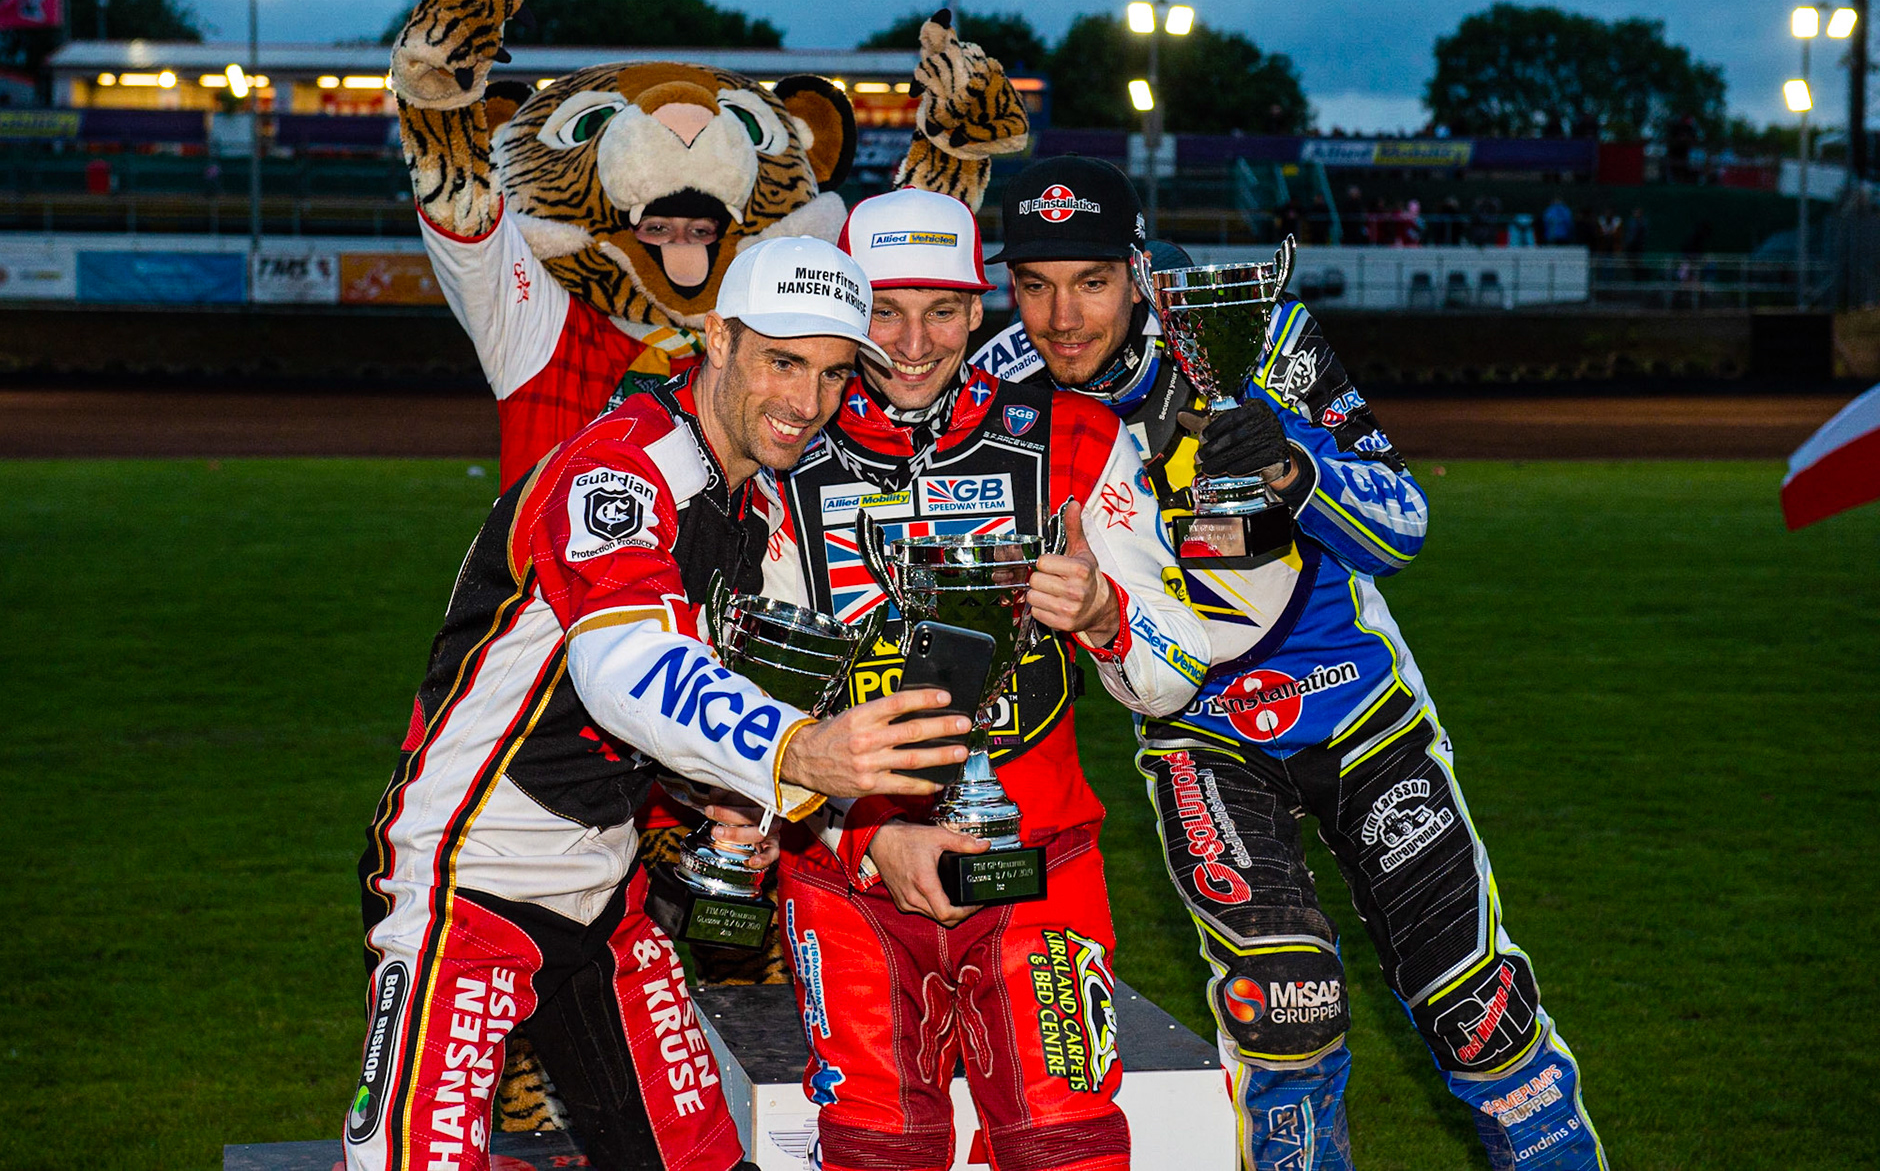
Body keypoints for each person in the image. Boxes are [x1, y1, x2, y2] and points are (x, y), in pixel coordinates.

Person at [970, 155, 1607, 1171]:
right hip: (1199, 732)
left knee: (1476, 1006)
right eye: (1035, 284)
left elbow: (1403, 524)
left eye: (1089, 280)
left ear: (1137, 270)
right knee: (1285, 1011)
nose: (1061, 315)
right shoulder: (997, 388)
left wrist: (1289, 465)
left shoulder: (1258, 332)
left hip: (1361, 713)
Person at [346, 236, 978, 1171]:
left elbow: (720, 717)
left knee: (699, 1161)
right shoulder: (619, 472)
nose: (807, 404)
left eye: (835, 374)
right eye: (783, 361)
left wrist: (872, 834)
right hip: (465, 884)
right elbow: (624, 670)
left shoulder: (753, 507)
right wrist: (795, 752)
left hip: (606, 888)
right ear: (717, 338)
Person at [763, 188, 1211, 1171]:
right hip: (850, 875)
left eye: (942, 309)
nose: (914, 341)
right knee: (877, 1150)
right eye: (884, 308)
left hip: (1038, 866)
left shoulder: (1080, 441)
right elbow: (743, 711)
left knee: (1068, 1144)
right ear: (846, 307)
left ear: (980, 310)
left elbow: (1173, 679)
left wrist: (1104, 615)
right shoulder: (774, 460)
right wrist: (872, 836)